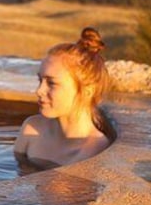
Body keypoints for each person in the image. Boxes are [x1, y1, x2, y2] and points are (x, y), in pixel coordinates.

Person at [14, 27, 111, 170]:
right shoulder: (31, 129)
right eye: (40, 80)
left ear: (87, 90)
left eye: (51, 83)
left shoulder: (95, 151)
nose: (39, 91)